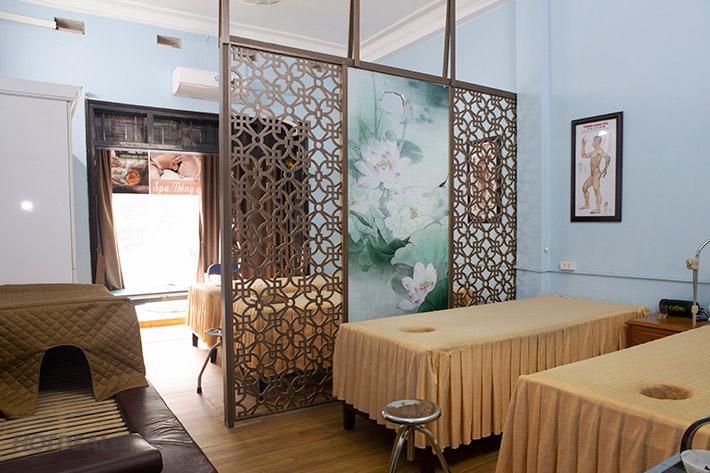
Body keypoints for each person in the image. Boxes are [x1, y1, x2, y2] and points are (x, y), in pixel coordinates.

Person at [579, 135, 610, 214]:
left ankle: (598, 209)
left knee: (596, 190)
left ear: (597, 142)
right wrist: (583, 145)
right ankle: (587, 205)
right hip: (592, 174)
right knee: (584, 188)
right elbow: (583, 155)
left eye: (594, 141)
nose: (592, 143)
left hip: (596, 173)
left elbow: (607, 157)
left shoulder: (599, 151)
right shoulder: (594, 152)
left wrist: (605, 168)